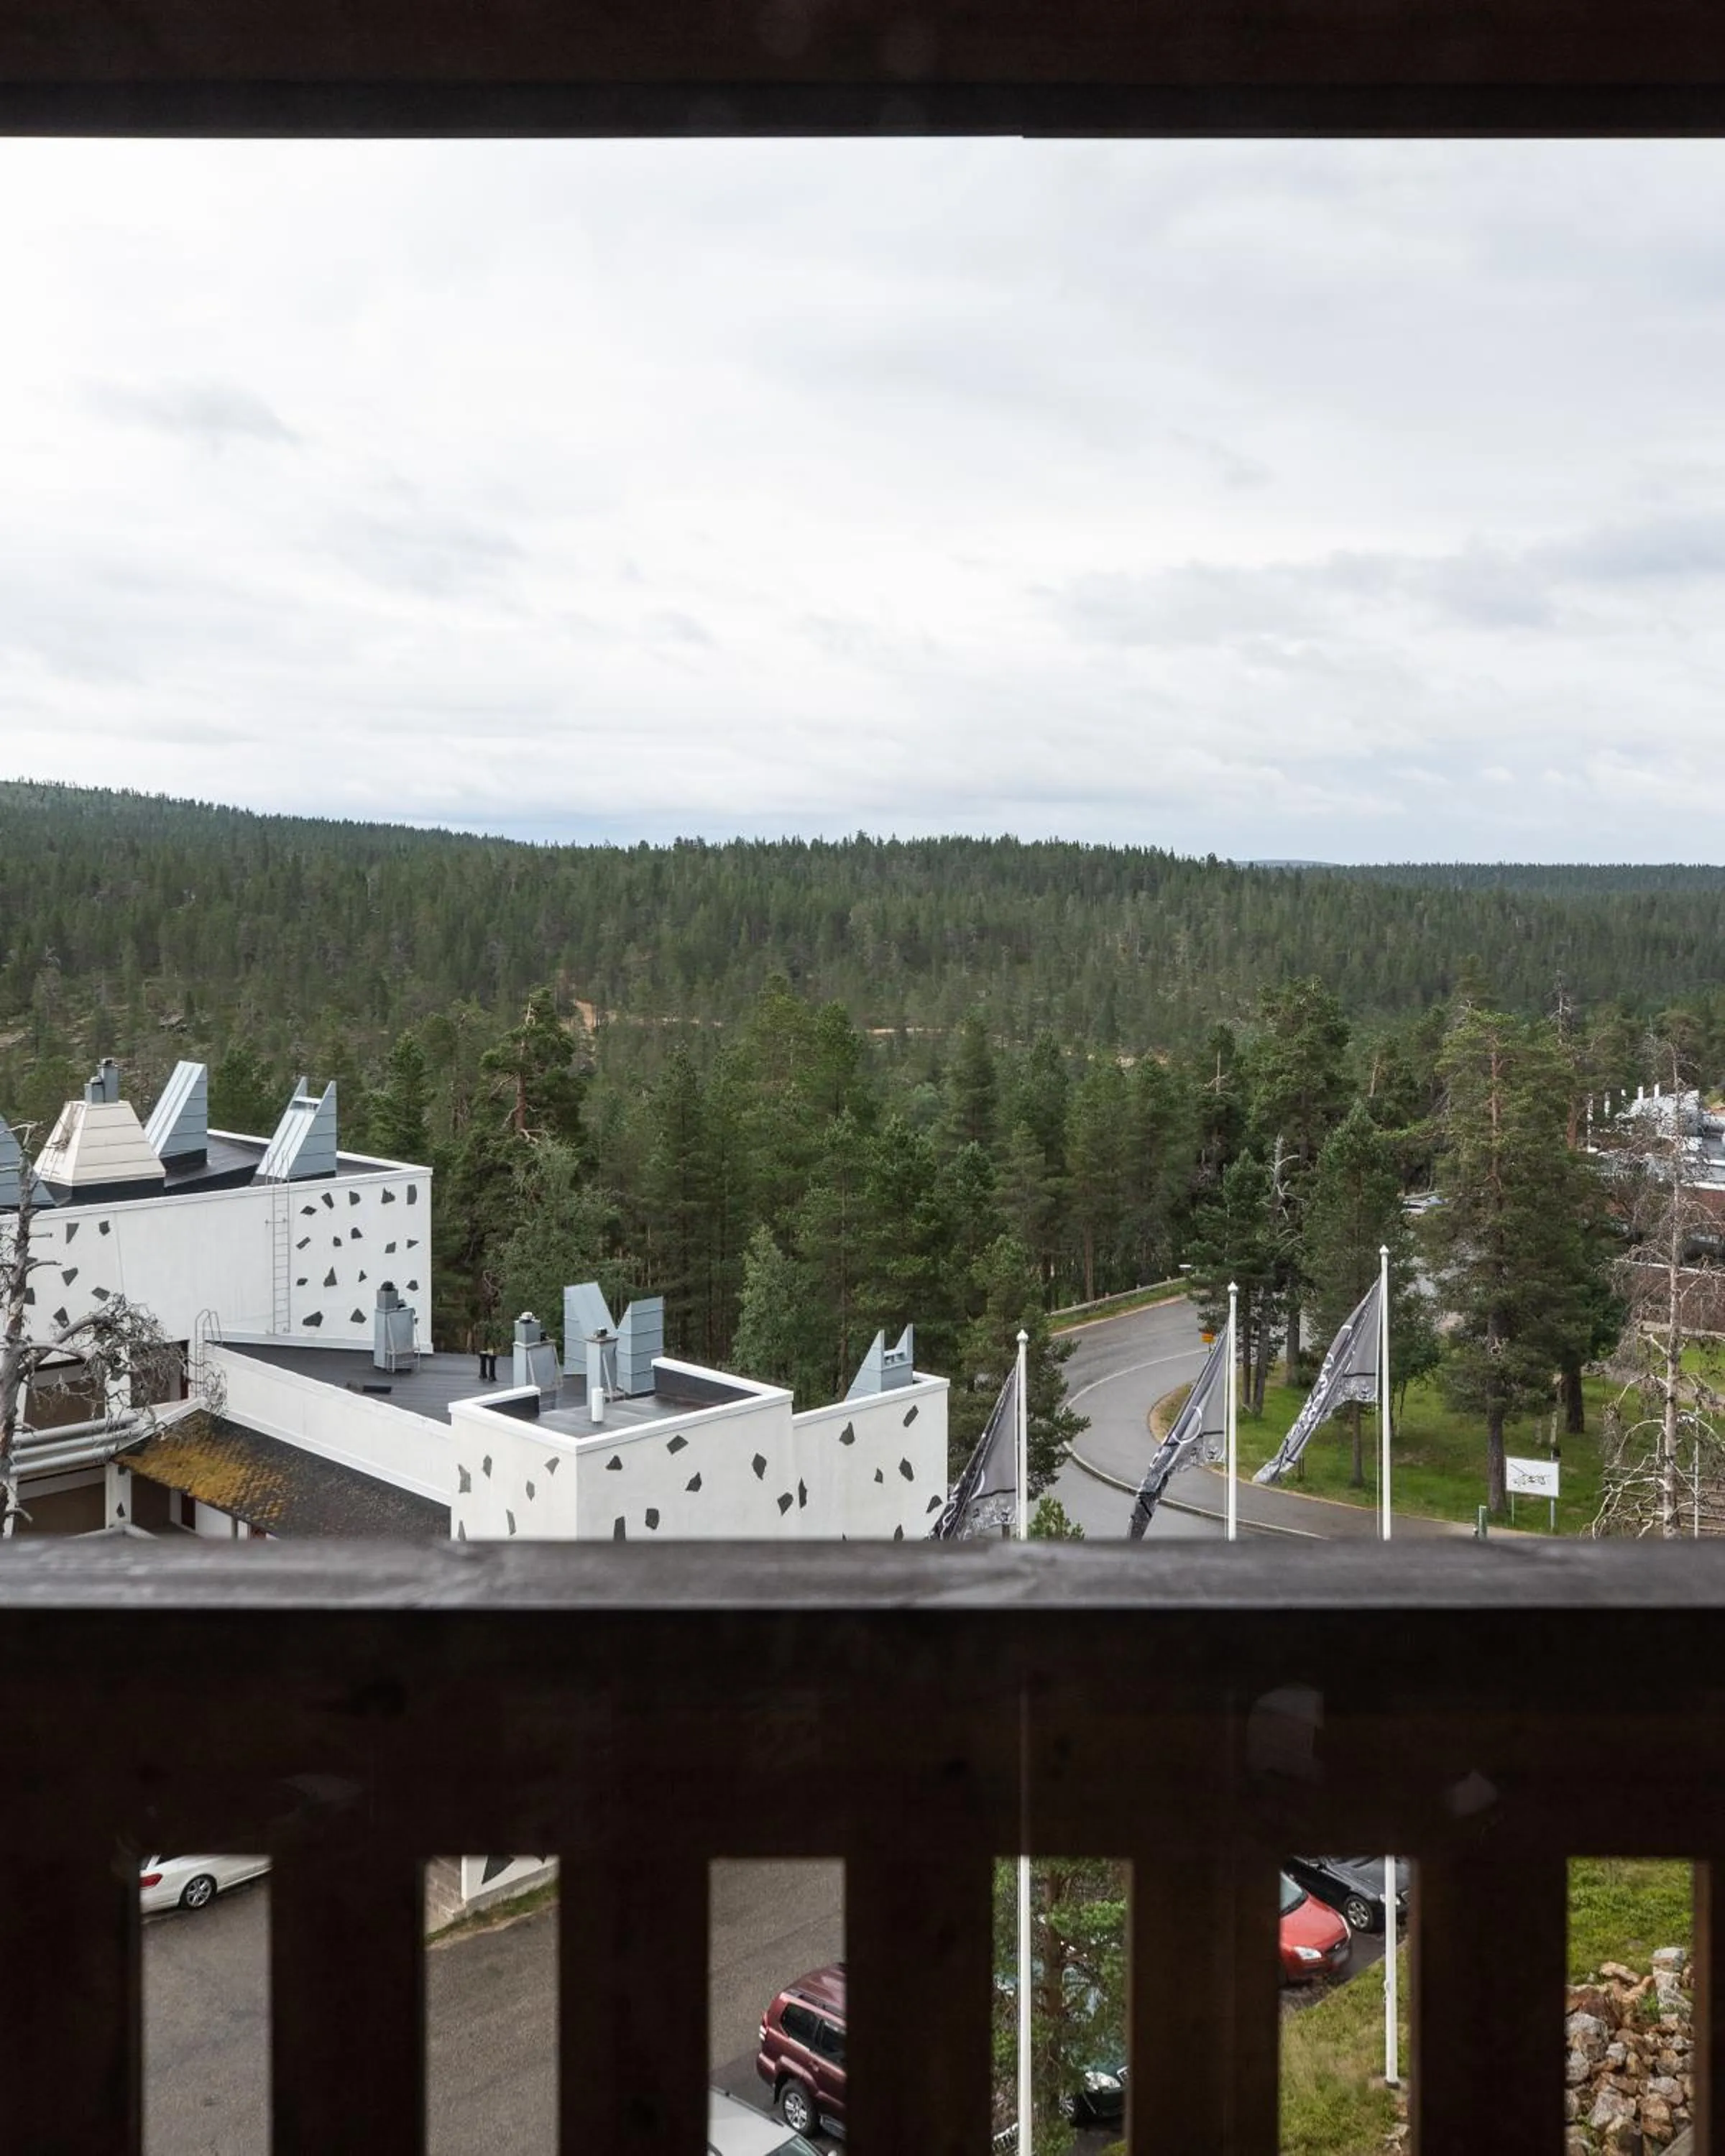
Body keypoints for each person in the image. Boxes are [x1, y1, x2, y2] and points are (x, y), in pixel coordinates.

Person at [477, 1317, 500, 1383]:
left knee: (490, 1353)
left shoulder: (491, 1333)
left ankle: (487, 1375)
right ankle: (485, 1375)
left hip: (490, 1347)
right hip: (489, 1346)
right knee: (489, 1352)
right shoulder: (487, 1333)